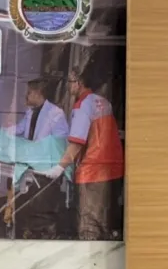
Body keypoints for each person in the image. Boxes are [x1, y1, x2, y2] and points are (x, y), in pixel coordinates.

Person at [43, 61, 124, 240]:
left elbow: (76, 144)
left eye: (70, 82)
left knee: (89, 227)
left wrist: (59, 167)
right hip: (113, 169)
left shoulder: (82, 106)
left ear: (79, 83)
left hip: (92, 171)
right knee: (104, 223)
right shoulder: (104, 102)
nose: (68, 86)